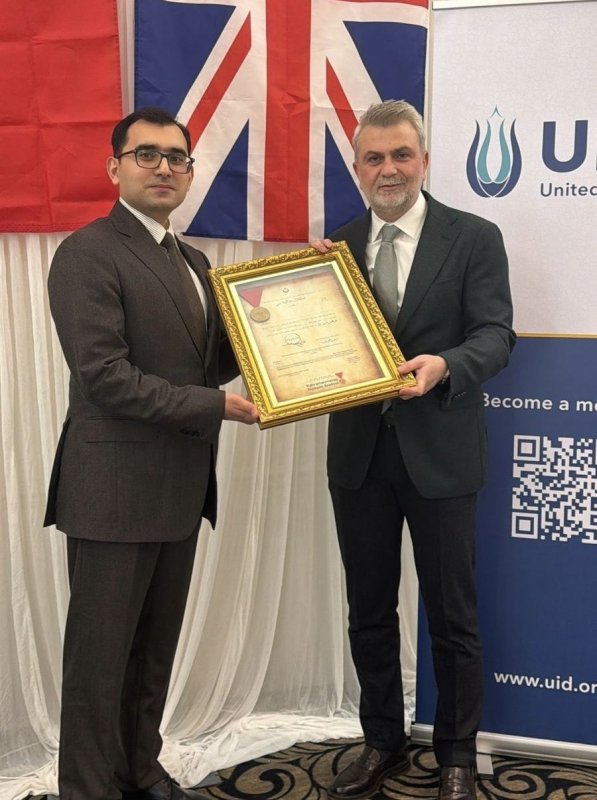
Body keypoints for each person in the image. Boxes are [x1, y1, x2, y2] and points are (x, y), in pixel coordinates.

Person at [44, 107, 259, 800]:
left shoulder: (193, 262)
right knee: (99, 664)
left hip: (178, 488)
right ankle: (88, 788)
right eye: (147, 154)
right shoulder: (87, 252)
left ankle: (139, 769)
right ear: (115, 168)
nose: (164, 167)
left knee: (153, 654)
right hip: (111, 492)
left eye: (177, 157)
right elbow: (105, 377)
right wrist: (215, 407)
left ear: (191, 174)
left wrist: (286, 312)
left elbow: (211, 362)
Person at [312, 100, 515, 800]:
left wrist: (445, 366)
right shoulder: (333, 250)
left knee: (451, 616)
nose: (389, 169)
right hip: (359, 458)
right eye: (373, 158)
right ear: (357, 168)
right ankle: (382, 742)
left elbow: (496, 335)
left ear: (424, 160)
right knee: (368, 611)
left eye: (401, 154)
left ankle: (456, 754)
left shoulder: (474, 237)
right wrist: (300, 302)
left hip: (442, 454)